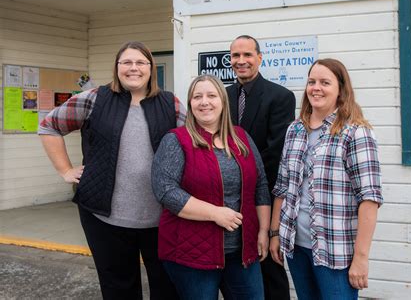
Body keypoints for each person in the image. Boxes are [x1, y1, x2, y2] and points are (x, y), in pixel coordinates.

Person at [38, 41, 184, 300]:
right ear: (117, 68)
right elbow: (49, 126)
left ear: (150, 68)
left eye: (140, 62)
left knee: (168, 288)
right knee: (118, 289)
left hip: (162, 219)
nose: (133, 68)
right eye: (126, 62)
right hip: (104, 219)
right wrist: (66, 170)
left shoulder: (169, 103)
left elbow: (193, 142)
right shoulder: (94, 98)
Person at [269, 58, 383, 300]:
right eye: (311, 82)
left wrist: (361, 258)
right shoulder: (295, 130)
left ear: (341, 90)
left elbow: (369, 199)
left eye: (325, 82)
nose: (316, 88)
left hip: (336, 252)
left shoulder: (355, 132)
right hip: (296, 247)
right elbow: (282, 187)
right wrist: (275, 233)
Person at [152, 74, 271, 300]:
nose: (204, 102)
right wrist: (215, 214)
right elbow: (165, 190)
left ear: (223, 102)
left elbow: (261, 185)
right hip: (192, 255)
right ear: (190, 104)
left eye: (211, 95)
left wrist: (263, 231)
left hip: (242, 252)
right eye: (197, 97)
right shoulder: (177, 140)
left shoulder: (241, 138)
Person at [226, 35, 295, 300]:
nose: (241, 61)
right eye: (235, 56)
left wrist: (242, 179)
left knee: (268, 263)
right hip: (227, 196)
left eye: (247, 55)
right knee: (239, 264)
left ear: (259, 58)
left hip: (261, 194)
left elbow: (274, 152)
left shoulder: (280, 97)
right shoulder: (224, 95)